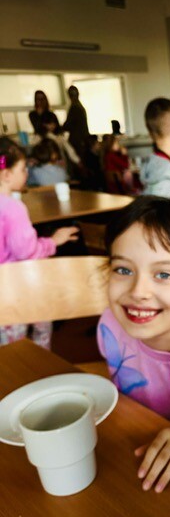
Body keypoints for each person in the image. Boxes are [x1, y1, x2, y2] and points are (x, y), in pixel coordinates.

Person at [97, 196, 170, 492]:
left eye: (164, 274)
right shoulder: (110, 325)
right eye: (123, 270)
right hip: (126, 459)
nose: (139, 292)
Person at [0, 137, 79, 347]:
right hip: (14, 287)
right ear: (6, 175)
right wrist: (53, 241)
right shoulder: (13, 208)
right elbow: (26, 252)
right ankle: (39, 363)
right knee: (32, 332)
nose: (27, 173)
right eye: (22, 169)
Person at [42, 110, 81, 177]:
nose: (52, 126)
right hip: (45, 165)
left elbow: (70, 150)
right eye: (49, 123)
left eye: (54, 123)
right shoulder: (40, 137)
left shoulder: (59, 136)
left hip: (60, 163)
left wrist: (78, 161)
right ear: (43, 124)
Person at [63, 85, 90, 160]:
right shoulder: (79, 106)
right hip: (81, 140)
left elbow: (68, 125)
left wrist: (59, 128)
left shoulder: (75, 107)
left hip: (78, 141)